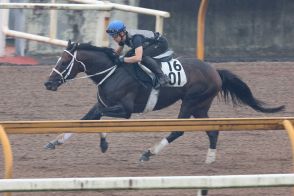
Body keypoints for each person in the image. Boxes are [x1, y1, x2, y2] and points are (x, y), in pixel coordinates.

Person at [106, 20, 171, 89]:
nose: (113, 38)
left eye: (115, 36)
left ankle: (162, 77)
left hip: (160, 43)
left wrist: (122, 59)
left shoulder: (135, 38)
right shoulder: (123, 37)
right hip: (149, 44)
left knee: (143, 57)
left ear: (121, 33)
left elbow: (138, 58)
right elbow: (118, 52)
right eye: (112, 36)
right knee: (129, 54)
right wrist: (111, 57)